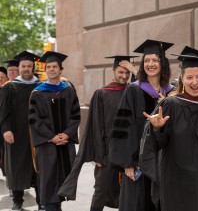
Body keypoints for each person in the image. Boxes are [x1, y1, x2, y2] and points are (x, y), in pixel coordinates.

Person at [142, 46, 198, 211]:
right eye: (189, 77)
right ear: (182, 79)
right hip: (178, 186)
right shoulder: (170, 105)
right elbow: (154, 146)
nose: (195, 82)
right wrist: (156, 129)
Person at [57, 55, 138, 211]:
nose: (124, 76)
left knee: (128, 193)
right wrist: (98, 156)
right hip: (107, 153)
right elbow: (96, 127)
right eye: (121, 72)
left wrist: (135, 70)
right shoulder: (102, 94)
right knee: (101, 191)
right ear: (113, 70)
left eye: (127, 73)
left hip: (129, 152)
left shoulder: (133, 91)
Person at [109, 39, 174, 211]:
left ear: (163, 64)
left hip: (164, 163)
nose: (150, 64)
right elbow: (124, 127)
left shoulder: (171, 92)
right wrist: (128, 163)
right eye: (147, 61)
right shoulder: (133, 90)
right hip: (139, 163)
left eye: (155, 60)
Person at [28, 51, 80, 211]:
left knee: (63, 182)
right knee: (49, 184)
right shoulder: (37, 93)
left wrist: (67, 134)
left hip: (65, 143)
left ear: (60, 69)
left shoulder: (69, 90)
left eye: (54, 66)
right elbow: (34, 120)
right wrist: (51, 137)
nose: (51, 69)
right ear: (45, 70)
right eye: (48, 67)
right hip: (47, 146)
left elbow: (76, 115)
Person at [0, 51, 43, 210]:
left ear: (33, 67)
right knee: (17, 167)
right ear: (19, 68)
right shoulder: (10, 87)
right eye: (23, 66)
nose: (26, 69)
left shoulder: (41, 86)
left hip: (37, 134)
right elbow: (3, 112)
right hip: (16, 134)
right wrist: (6, 130)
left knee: (38, 167)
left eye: (29, 66)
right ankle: (17, 202)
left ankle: (41, 201)